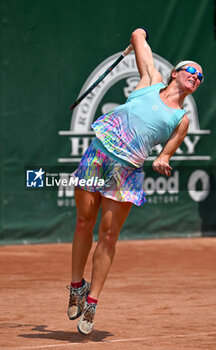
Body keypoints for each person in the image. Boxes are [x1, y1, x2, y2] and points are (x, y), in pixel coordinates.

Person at [67, 28, 204, 335]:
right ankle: (76, 286)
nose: (196, 76)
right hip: (99, 155)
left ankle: (92, 301)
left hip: (126, 170)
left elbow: (167, 151)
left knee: (109, 235)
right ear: (176, 73)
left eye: (200, 78)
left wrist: (163, 158)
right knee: (83, 222)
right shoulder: (149, 80)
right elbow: (138, 37)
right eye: (192, 71)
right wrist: (138, 35)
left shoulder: (180, 119)